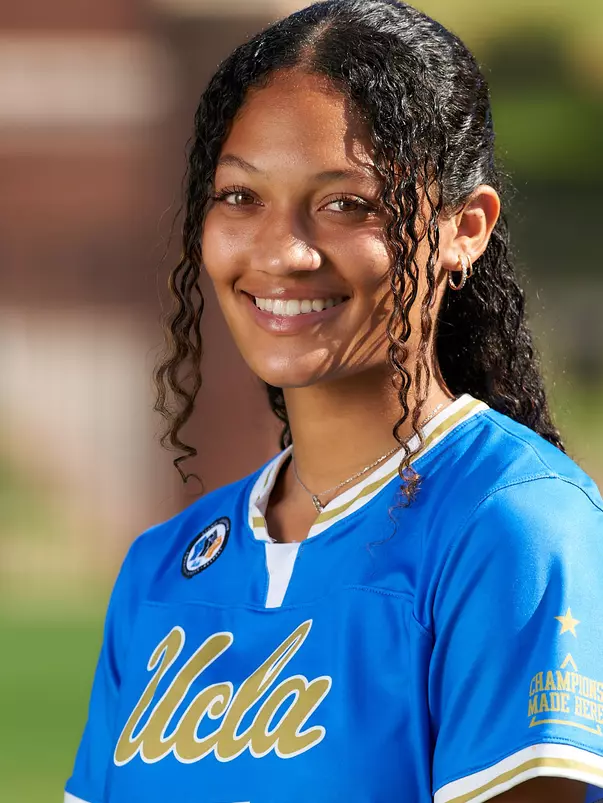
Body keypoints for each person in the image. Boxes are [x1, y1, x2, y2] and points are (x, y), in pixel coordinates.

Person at [64, 2, 603, 802]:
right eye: (240, 197)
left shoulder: (511, 523)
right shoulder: (160, 567)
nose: (283, 251)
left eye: (346, 204)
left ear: (465, 228)